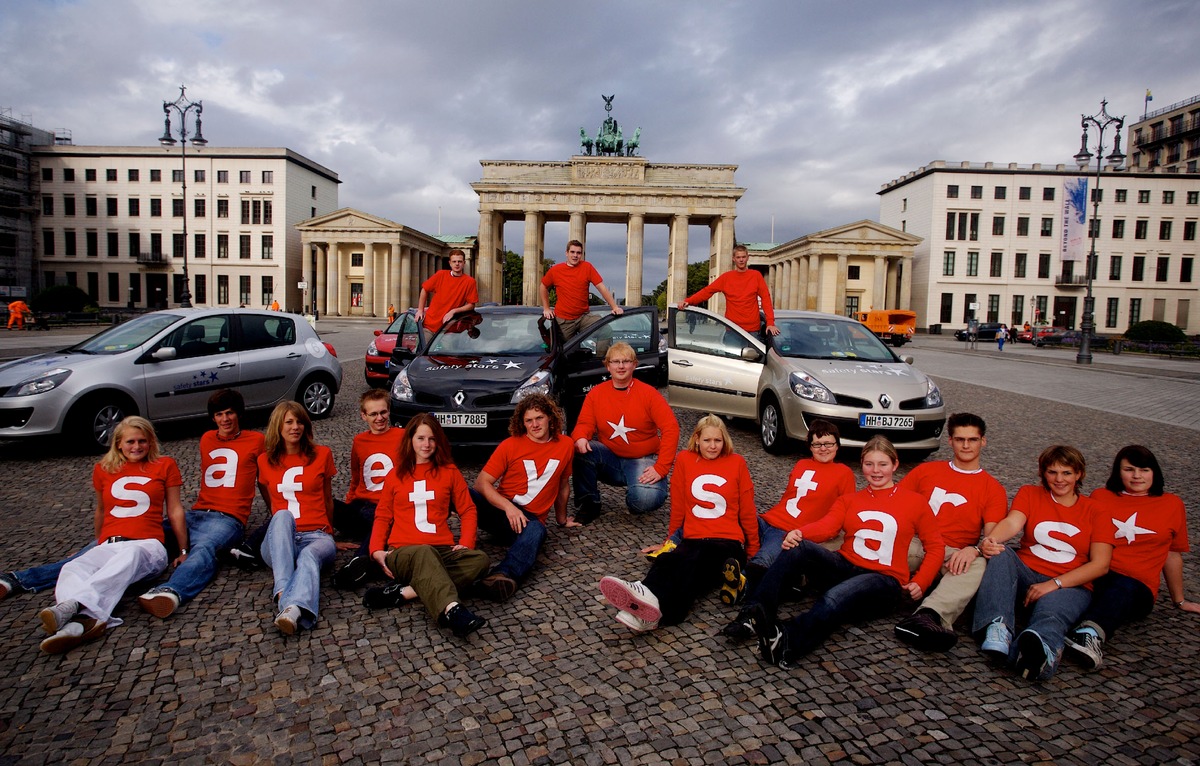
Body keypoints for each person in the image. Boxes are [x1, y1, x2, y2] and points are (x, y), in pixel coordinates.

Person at [737, 436, 945, 668]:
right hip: (845, 565)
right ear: (862, 465)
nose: (876, 471)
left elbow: (935, 546)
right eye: (869, 464)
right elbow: (827, 526)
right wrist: (800, 533)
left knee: (835, 597)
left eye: (882, 464)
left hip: (885, 580)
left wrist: (922, 580)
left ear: (895, 465)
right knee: (800, 547)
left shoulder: (915, 502)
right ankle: (753, 614)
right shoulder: (851, 500)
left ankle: (787, 642)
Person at [36, 417, 188, 654]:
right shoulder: (103, 469)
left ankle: (74, 605)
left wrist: (182, 550)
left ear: (150, 443)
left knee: (129, 556)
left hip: (148, 546)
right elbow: (101, 511)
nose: (136, 447)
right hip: (110, 544)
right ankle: (82, 623)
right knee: (72, 568)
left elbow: (175, 510)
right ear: (118, 444)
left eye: (142, 441)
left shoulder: (164, 465)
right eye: (130, 442)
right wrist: (96, 545)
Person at [599, 415, 759, 631]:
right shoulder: (684, 459)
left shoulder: (737, 462)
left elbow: (748, 511)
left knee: (694, 564)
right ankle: (642, 603)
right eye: (707, 440)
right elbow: (679, 508)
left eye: (718, 441)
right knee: (669, 559)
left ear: (725, 441)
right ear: (697, 439)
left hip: (727, 543)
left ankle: (655, 611)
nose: (712, 446)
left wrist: (752, 554)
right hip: (693, 538)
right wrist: (669, 542)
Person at [973, 445, 1113, 682]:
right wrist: (991, 539)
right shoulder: (1030, 494)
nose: (1059, 480)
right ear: (1043, 473)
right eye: (1052, 472)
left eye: (1066, 473)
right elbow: (1013, 521)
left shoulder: (1096, 510)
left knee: (1051, 614)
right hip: (1027, 571)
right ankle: (999, 628)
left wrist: (1054, 584)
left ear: (1079, 474)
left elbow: (1101, 565)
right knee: (1001, 552)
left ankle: (1039, 650)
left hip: (1070, 585)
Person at [716, 420, 855, 639]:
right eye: (817, 444)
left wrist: (807, 533)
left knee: (766, 556)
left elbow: (840, 516)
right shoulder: (801, 465)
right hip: (769, 520)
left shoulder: (844, 473)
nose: (823, 448)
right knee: (726, 521)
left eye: (829, 443)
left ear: (838, 445)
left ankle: (740, 585)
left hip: (788, 529)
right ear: (809, 446)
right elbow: (787, 499)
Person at [1063, 445, 1198, 670]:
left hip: (1138, 587)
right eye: (1129, 469)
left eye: (1144, 469)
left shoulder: (1172, 504)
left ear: (1154, 473)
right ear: (1118, 472)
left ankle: (1090, 634)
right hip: (1099, 572)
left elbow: (1172, 554)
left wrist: (1180, 600)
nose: (1137, 476)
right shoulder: (1101, 497)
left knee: (1123, 587)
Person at [137, 389, 266, 618]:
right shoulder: (207, 438)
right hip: (196, 513)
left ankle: (171, 592)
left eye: (229, 413)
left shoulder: (257, 440)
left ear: (239, 414)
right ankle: (86, 567)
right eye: (219, 414)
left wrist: (276, 512)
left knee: (204, 548)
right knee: (143, 531)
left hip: (228, 518)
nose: (224, 419)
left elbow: (265, 479)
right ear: (212, 417)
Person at [892, 413, 1008, 651]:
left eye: (972, 440)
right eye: (960, 439)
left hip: (951, 552)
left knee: (977, 565)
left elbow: (992, 536)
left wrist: (974, 549)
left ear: (983, 441)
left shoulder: (992, 488)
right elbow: (894, 502)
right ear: (950, 441)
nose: (966, 445)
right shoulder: (926, 471)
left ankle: (928, 616)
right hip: (914, 542)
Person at [365, 414, 489, 638]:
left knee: (480, 560)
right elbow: (383, 515)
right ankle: (453, 610)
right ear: (410, 439)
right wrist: (376, 550)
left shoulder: (449, 472)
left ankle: (404, 592)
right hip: (404, 553)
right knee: (424, 551)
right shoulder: (396, 475)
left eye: (432, 439)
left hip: (441, 550)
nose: (426, 444)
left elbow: (468, 510)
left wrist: (466, 543)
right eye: (421, 438)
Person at [472, 394, 580, 602]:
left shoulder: (566, 445)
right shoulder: (510, 445)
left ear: (550, 417)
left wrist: (562, 520)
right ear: (522, 423)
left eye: (539, 418)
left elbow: (563, 484)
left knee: (538, 529)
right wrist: (508, 508)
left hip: (527, 522)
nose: (535, 425)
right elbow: (481, 483)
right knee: (457, 490)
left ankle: (502, 577)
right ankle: (423, 539)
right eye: (528, 420)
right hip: (501, 511)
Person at [571, 342, 680, 523]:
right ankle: (589, 502)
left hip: (642, 459)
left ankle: (636, 492)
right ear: (607, 365)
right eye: (615, 362)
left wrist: (661, 468)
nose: (621, 366)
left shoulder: (649, 394)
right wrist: (581, 437)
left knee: (644, 500)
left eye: (626, 361)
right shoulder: (596, 394)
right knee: (580, 448)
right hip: (609, 458)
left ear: (634, 364)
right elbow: (584, 423)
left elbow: (671, 428)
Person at [256, 401, 337, 636]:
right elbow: (269, 499)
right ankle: (285, 592)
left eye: (300, 421)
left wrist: (330, 534)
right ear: (277, 427)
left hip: (317, 536)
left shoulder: (322, 454)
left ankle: (290, 608)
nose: (295, 427)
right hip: (282, 541)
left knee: (309, 555)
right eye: (289, 422)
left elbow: (327, 498)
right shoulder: (264, 460)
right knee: (281, 515)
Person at [330, 390, 406, 589]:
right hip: (360, 507)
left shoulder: (403, 436)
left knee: (381, 521)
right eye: (373, 414)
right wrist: (348, 504)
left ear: (389, 412)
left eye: (383, 412)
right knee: (323, 502)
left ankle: (357, 564)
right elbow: (357, 477)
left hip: (385, 509)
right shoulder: (359, 441)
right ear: (363, 416)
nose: (379, 418)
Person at [677, 244, 779, 336]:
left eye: (743, 257)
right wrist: (688, 301)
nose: (741, 260)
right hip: (732, 329)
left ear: (747, 258)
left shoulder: (756, 276)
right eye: (738, 257)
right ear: (733, 259)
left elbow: (766, 299)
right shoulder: (726, 278)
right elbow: (707, 291)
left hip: (752, 330)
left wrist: (770, 323)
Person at [539, 240, 623, 340]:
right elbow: (543, 286)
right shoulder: (555, 270)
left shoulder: (587, 267)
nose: (575, 255)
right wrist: (546, 308)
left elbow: (601, 287)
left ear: (581, 254)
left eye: (578, 253)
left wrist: (614, 307)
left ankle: (602, 356)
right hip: (564, 320)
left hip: (583, 317)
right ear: (566, 253)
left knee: (606, 331)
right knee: (564, 349)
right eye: (572, 252)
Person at [415, 249, 478, 334]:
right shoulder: (441, 274)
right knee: (423, 347)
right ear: (450, 263)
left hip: (450, 329)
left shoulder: (470, 281)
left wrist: (454, 311)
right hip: (429, 326)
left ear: (464, 263)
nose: (457, 264)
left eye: (459, 261)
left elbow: (471, 305)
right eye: (454, 261)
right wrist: (420, 310)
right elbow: (424, 289)